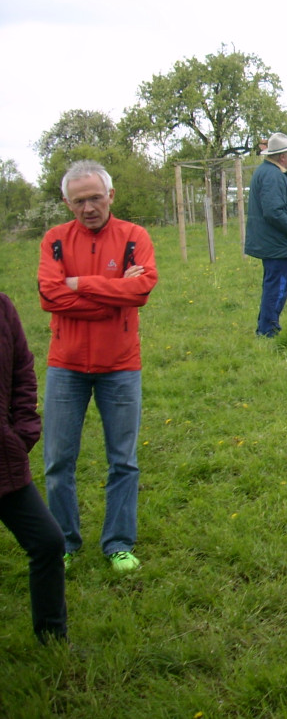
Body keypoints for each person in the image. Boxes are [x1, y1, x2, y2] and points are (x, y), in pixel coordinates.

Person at [37, 160, 158, 573]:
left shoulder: (133, 237)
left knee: (123, 460)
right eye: (78, 201)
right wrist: (114, 294)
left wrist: (80, 284)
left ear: (111, 195)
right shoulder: (54, 241)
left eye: (94, 198)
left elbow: (141, 290)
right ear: (68, 203)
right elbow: (49, 297)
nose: (88, 207)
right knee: (57, 462)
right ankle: (64, 543)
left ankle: (118, 543)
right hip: (65, 366)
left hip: (120, 366)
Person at [0, 293, 68, 642]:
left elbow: (22, 369)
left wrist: (23, 430)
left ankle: (53, 638)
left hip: (4, 459)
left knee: (48, 542)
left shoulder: (3, 307)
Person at [245, 132, 287, 337]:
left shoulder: (268, 171)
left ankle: (266, 326)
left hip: (272, 242)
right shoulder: (272, 175)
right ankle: (268, 330)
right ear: (282, 156)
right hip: (277, 244)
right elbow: (273, 212)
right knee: (278, 287)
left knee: (273, 285)